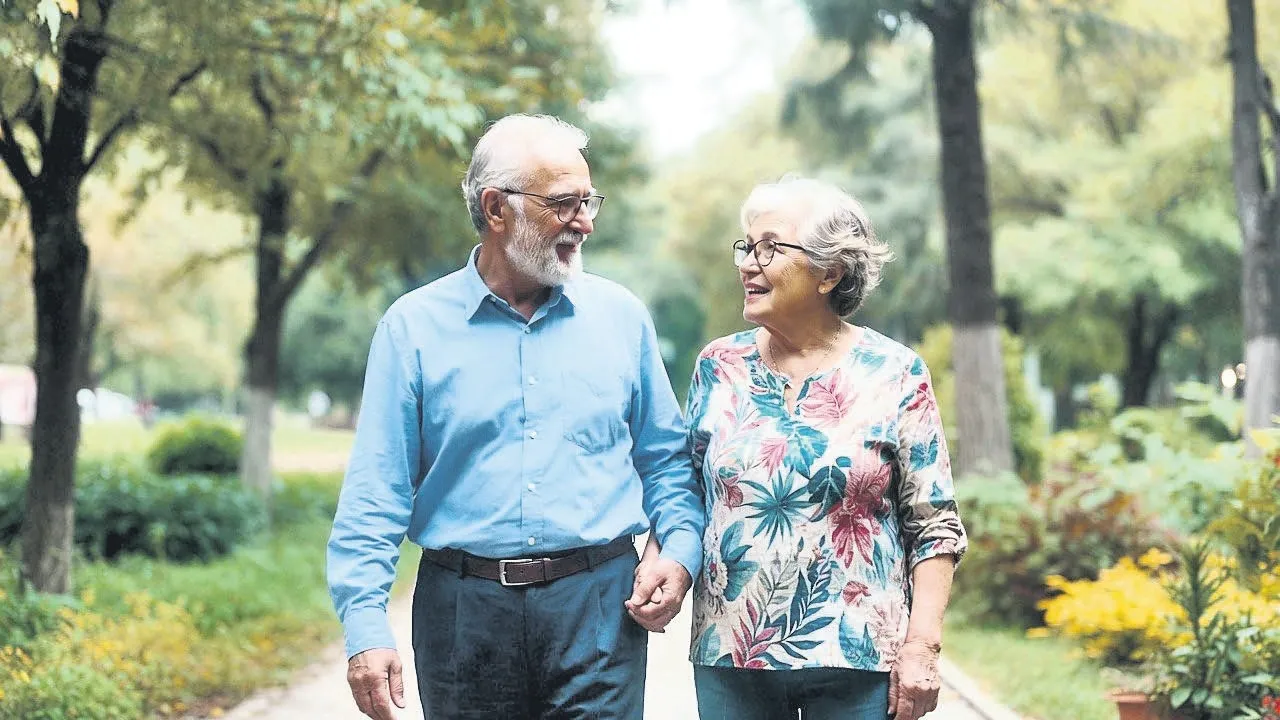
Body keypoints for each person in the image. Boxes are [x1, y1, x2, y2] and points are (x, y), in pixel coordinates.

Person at [327, 114, 704, 720]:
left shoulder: (621, 318)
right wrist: (365, 624)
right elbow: (377, 491)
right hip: (463, 614)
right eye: (563, 204)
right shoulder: (412, 328)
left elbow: (665, 461)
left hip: (599, 606)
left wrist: (678, 552)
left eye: (589, 201)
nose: (583, 222)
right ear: (496, 207)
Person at [638, 177, 967, 720]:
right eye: (746, 246)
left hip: (857, 658)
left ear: (829, 272)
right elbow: (688, 490)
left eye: (769, 247)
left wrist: (922, 647)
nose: (748, 263)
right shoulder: (720, 365)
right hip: (731, 654)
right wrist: (663, 558)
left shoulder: (895, 372)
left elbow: (934, 524)